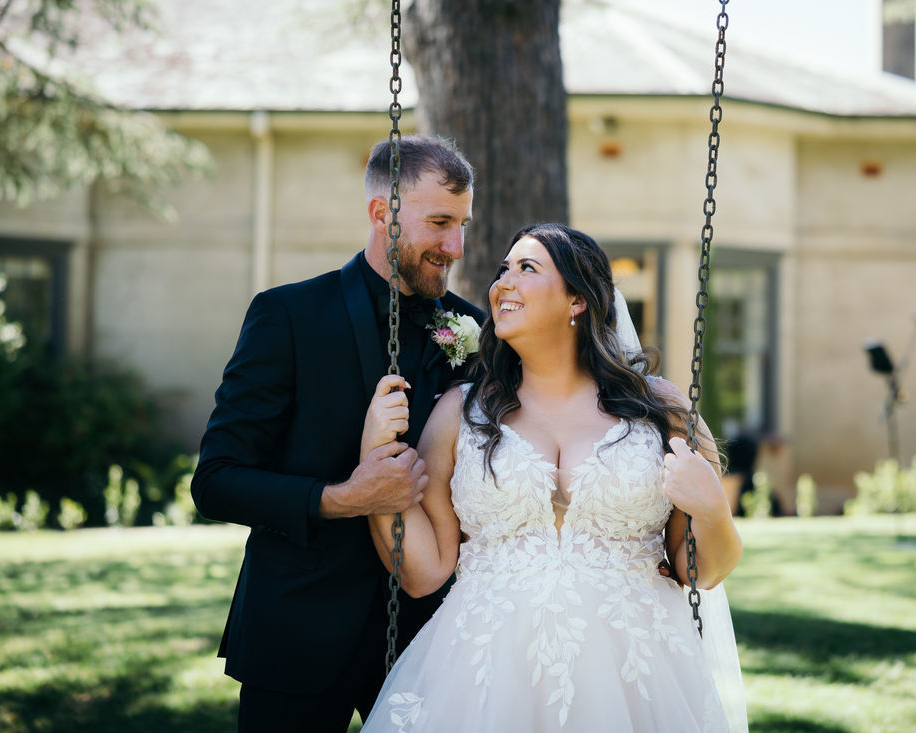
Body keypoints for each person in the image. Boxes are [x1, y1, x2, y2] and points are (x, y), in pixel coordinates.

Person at [361, 223, 747, 732]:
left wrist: (713, 508)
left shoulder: (659, 409)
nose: (502, 283)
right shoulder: (461, 413)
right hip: (487, 669)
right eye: (503, 270)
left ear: (577, 301)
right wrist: (375, 455)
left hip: (637, 669)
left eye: (527, 268)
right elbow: (423, 571)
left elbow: (701, 572)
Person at [190, 134, 482, 732]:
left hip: (432, 639)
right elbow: (216, 481)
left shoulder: (474, 330)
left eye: (462, 225)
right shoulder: (286, 316)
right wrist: (344, 498)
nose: (454, 246)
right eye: (439, 223)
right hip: (296, 631)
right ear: (381, 213)